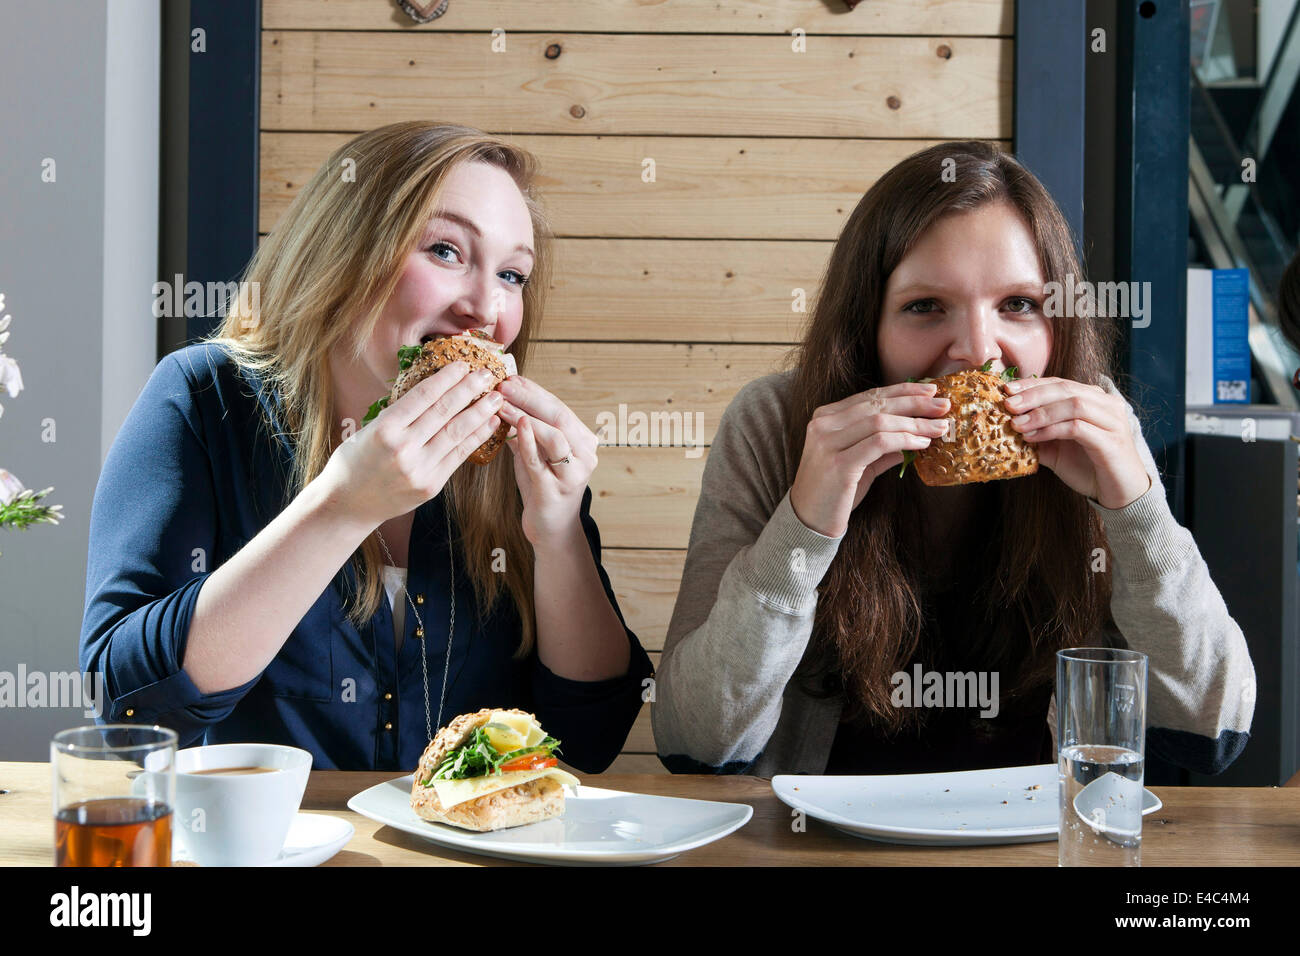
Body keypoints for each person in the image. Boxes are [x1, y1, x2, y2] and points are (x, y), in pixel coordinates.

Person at [653, 141, 1256, 777]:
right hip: (818, 843)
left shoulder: (1098, 427)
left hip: (1034, 839)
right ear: (866, 327)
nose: (977, 351)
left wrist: (1138, 518)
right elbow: (693, 742)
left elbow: (1211, 731)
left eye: (1018, 305)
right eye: (925, 307)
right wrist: (801, 530)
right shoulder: (777, 426)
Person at [80, 122, 652, 772]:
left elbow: (593, 740)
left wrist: (558, 536)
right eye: (445, 250)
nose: (487, 309)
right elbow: (125, 706)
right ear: (344, 251)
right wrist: (341, 508)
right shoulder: (204, 399)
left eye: (514, 274)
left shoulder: (513, 459)